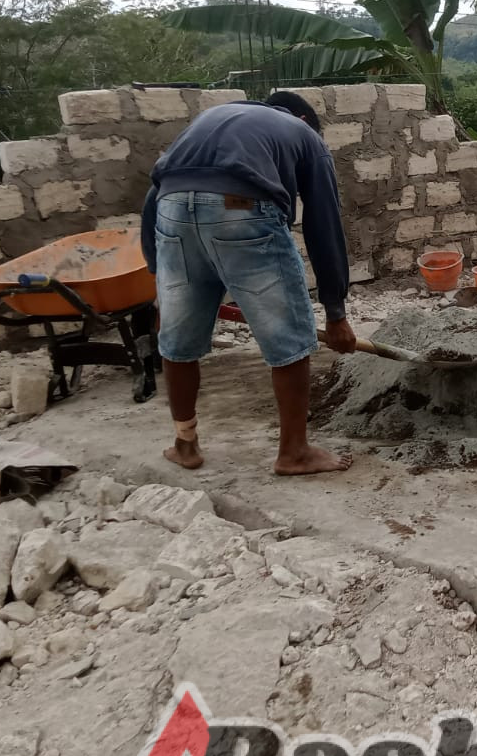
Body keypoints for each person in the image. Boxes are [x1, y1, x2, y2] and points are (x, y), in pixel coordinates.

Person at [139, 90, 358, 476]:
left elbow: (153, 198)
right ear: (305, 120)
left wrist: (159, 282)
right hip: (241, 210)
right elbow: (324, 225)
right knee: (288, 336)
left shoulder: (211, 119)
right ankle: (294, 452)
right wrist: (335, 314)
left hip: (171, 213)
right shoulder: (304, 135)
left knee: (177, 342)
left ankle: (185, 443)